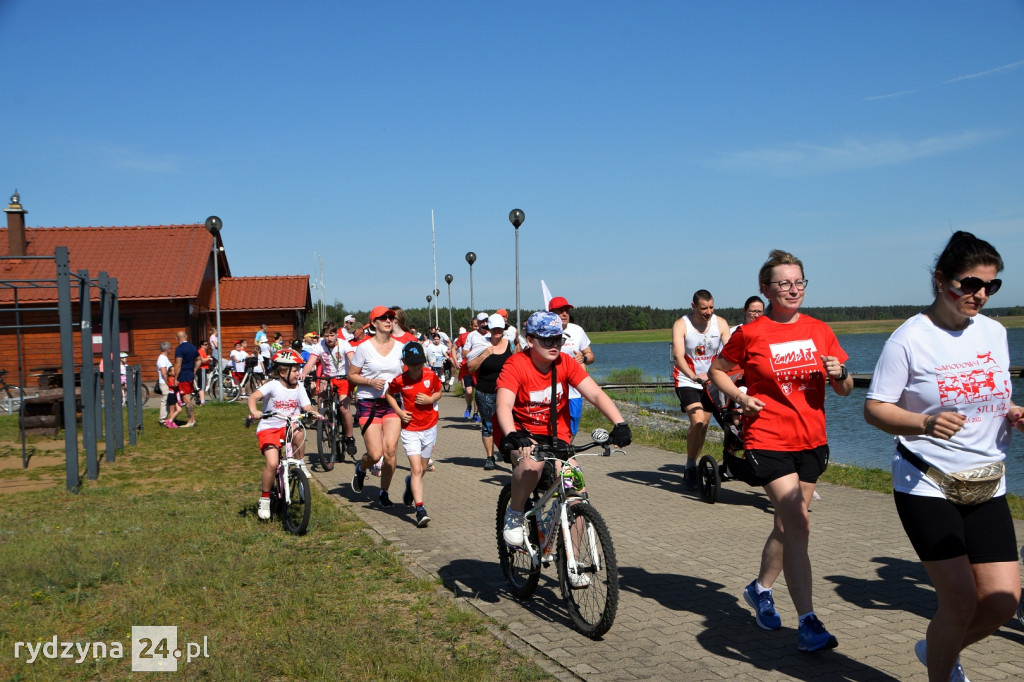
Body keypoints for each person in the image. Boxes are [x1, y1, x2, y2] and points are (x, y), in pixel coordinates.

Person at [863, 231, 1021, 681]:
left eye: (992, 286)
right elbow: (875, 408)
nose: (981, 295)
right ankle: (942, 670)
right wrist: (924, 423)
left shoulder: (994, 332)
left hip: (988, 479)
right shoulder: (909, 339)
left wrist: (1010, 412)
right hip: (927, 481)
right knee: (960, 602)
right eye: (970, 284)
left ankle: (936, 648)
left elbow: (990, 395)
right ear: (941, 280)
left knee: (1004, 602)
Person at [708, 249, 852, 653]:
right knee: (799, 524)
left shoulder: (820, 330)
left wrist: (840, 374)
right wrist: (740, 395)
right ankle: (808, 622)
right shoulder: (751, 333)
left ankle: (759, 588)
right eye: (783, 283)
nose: (793, 290)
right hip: (768, 438)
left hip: (812, 441)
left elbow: (843, 387)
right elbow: (716, 370)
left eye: (799, 282)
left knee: (788, 527)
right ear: (765, 289)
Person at [497, 311, 632, 548]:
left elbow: (596, 394)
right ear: (530, 340)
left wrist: (620, 423)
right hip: (521, 433)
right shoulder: (516, 364)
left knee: (578, 497)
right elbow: (504, 404)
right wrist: (512, 435)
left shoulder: (565, 363)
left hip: (556, 436)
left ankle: (573, 568)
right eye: (547, 339)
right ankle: (515, 513)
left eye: (558, 339)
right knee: (531, 465)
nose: (554, 345)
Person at [247, 349, 322, 520]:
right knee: (272, 464)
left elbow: (306, 406)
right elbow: (253, 397)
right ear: (282, 372)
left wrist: (312, 412)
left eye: (298, 369)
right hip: (269, 428)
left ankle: (300, 464)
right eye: (295, 370)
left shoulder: (299, 387)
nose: (298, 373)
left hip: (288, 426)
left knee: (298, 432)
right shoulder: (272, 385)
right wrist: (254, 411)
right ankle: (265, 499)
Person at [672, 289, 731, 488]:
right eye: (704, 308)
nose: (708, 312)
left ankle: (695, 463)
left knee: (704, 425)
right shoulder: (682, 325)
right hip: (688, 380)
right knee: (697, 421)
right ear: (694, 306)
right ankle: (689, 466)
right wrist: (693, 375)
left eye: (711, 307)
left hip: (712, 381)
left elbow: (730, 351)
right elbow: (679, 356)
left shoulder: (720, 323)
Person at [349, 305, 406, 508]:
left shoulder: (400, 347)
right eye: (383, 318)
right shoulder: (364, 347)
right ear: (374, 323)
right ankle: (361, 467)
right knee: (375, 454)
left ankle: (384, 492)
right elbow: (352, 375)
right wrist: (370, 382)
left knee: (390, 451)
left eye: (391, 317)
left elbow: (407, 373)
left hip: (392, 403)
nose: (388, 321)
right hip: (368, 402)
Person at [384, 342, 441, 527]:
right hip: (410, 429)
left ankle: (410, 484)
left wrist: (431, 398)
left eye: (420, 363)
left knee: (422, 469)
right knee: (416, 468)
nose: (417, 368)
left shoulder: (430, 375)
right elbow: (389, 394)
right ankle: (420, 509)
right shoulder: (400, 380)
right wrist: (399, 413)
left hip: (430, 427)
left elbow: (438, 391)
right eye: (413, 364)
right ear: (405, 363)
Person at [299, 319, 357, 457]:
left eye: (332, 335)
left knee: (344, 408)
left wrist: (355, 373)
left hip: (343, 378)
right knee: (321, 398)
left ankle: (349, 437)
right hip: (327, 377)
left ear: (336, 334)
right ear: (323, 336)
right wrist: (303, 374)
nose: (329, 338)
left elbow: (353, 360)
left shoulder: (344, 344)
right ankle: (324, 425)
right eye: (326, 335)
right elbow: (310, 362)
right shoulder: (319, 346)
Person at [468, 313, 514, 470]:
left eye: (500, 328)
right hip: (485, 391)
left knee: (508, 424)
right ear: (489, 329)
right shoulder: (482, 346)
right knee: (488, 425)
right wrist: (486, 354)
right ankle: (489, 456)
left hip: (506, 391)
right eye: (494, 328)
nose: (497, 331)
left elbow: (520, 365)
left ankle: (509, 453)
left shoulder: (511, 345)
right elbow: (470, 367)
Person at [548, 296, 595, 438]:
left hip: (574, 390)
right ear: (551, 313)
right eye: (560, 311)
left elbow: (590, 355)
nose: (565, 314)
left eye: (567, 311)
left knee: (572, 426)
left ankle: (565, 454)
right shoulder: (545, 331)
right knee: (551, 425)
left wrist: (584, 358)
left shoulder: (577, 330)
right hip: (551, 388)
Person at [453, 318, 480, 421]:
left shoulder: (484, 336)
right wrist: (455, 361)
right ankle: (469, 406)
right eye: (475, 326)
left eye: (478, 326)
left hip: (479, 368)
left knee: (478, 393)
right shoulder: (464, 336)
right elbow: (453, 348)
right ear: (471, 326)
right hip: (467, 367)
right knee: (469, 391)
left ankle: (476, 413)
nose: (477, 328)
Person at [173, 330, 200, 428]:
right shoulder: (193, 347)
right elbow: (199, 359)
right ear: (186, 336)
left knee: (186, 399)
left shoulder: (179, 349)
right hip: (190, 375)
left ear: (177, 338)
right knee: (188, 397)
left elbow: (178, 364)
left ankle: (190, 421)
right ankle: (192, 419)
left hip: (183, 376)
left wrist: (176, 377)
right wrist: (195, 369)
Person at [157, 341, 174, 424]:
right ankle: (163, 419)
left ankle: (169, 417)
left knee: (168, 400)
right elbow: (164, 372)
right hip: (164, 383)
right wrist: (168, 383)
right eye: (170, 348)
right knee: (165, 400)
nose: (171, 350)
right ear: (167, 349)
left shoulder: (164, 358)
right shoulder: (162, 358)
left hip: (166, 382)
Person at [196, 340, 212, 405]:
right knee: (202, 385)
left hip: (204, 369)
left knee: (202, 385)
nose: (207, 346)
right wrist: (208, 359)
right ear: (201, 345)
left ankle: (200, 399)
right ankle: (202, 401)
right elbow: (201, 360)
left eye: (207, 344)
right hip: (202, 369)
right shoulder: (200, 351)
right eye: (205, 344)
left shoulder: (203, 351)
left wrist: (207, 357)